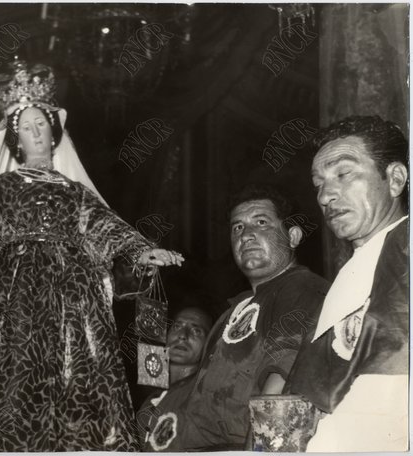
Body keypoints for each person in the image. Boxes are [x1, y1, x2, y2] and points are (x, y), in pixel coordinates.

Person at [0, 63, 184, 452]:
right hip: (17, 300)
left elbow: (105, 227)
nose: (36, 133)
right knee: (15, 378)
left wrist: (141, 250)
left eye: (42, 124)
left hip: (75, 300)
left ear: (54, 131)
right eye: (26, 127)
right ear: (15, 140)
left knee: (80, 374)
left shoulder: (75, 192)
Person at [143, 184, 329, 451]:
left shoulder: (300, 289)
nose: (247, 235)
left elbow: (282, 391)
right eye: (237, 227)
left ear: (293, 236)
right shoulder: (236, 307)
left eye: (261, 222)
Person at [286, 116, 409, 451]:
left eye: (344, 174)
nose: (326, 195)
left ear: (395, 179)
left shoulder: (406, 246)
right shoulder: (356, 267)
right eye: (318, 184)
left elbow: (392, 390)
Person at [136, 306, 213, 450]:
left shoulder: (204, 398)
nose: (182, 335)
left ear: (209, 344)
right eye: (177, 326)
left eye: (196, 331)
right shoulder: (149, 401)